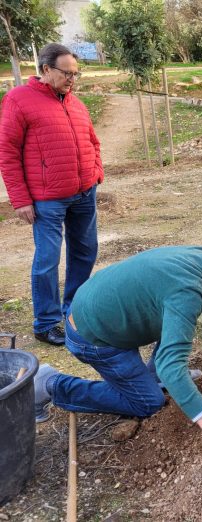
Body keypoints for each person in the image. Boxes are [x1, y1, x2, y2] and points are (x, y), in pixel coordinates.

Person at [32, 246, 202, 465]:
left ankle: (156, 378)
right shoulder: (187, 291)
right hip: (94, 336)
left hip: (107, 311)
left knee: (178, 328)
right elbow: (171, 365)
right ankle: (51, 384)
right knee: (149, 402)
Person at [0, 43, 103, 346]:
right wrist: (20, 199)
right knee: (47, 259)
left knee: (85, 252)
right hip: (47, 198)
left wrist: (95, 172)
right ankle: (45, 323)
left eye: (76, 73)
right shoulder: (18, 100)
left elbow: (93, 141)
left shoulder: (75, 102)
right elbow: (7, 152)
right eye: (67, 73)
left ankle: (74, 313)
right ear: (46, 69)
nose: (73, 79)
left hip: (84, 193)